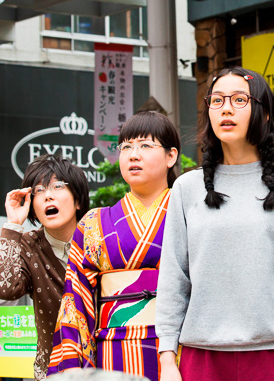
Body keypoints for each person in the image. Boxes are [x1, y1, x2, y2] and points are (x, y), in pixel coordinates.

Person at [155, 67, 274, 381]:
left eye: (239, 99)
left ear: (264, 114)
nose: (226, 108)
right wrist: (167, 357)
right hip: (202, 358)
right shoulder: (187, 188)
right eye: (217, 100)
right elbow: (173, 278)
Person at [48, 111, 180, 380]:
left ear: (171, 156)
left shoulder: (190, 214)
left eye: (145, 145)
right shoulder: (93, 223)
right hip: (113, 350)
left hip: (179, 349)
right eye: (126, 147)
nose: (133, 154)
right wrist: (73, 366)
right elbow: (76, 302)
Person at [0, 154, 89, 380]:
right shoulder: (27, 245)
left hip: (103, 366)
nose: (48, 196)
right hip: (51, 371)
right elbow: (3, 289)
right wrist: (13, 225)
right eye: (39, 191)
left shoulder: (99, 238)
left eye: (57, 186)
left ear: (78, 200)